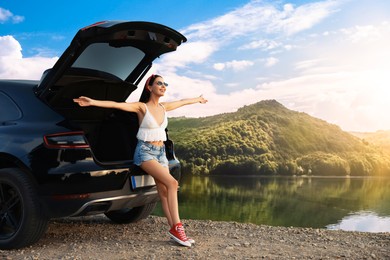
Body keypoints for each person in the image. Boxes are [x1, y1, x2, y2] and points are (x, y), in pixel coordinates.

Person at [73, 74, 207, 247]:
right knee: (172, 184)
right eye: (159, 83)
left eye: (165, 84)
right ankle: (179, 228)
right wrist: (92, 102)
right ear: (149, 87)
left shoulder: (164, 107)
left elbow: (182, 101)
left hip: (161, 153)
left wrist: (198, 99)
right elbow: (117, 105)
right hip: (145, 153)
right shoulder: (141, 108)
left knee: (164, 192)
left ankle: (174, 229)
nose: (163, 86)